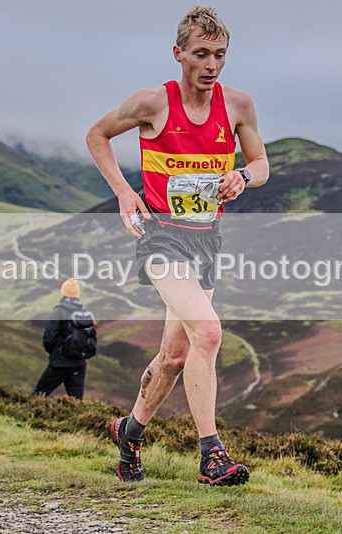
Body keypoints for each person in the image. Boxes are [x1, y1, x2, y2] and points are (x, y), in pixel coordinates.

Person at [86, 5, 269, 486]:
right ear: (179, 53)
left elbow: (262, 162)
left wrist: (243, 175)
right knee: (208, 333)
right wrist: (126, 193)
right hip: (161, 239)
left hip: (206, 241)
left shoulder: (239, 105)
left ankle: (129, 432)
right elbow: (97, 134)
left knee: (174, 356)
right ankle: (212, 456)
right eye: (202, 54)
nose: (212, 65)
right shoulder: (153, 103)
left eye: (220, 56)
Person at [32, 278, 96, 400]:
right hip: (79, 363)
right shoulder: (85, 311)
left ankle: (25, 417)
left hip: (60, 363)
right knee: (76, 402)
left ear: (63, 293)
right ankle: (82, 419)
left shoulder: (59, 311)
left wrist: (55, 352)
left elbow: (49, 337)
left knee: (38, 395)